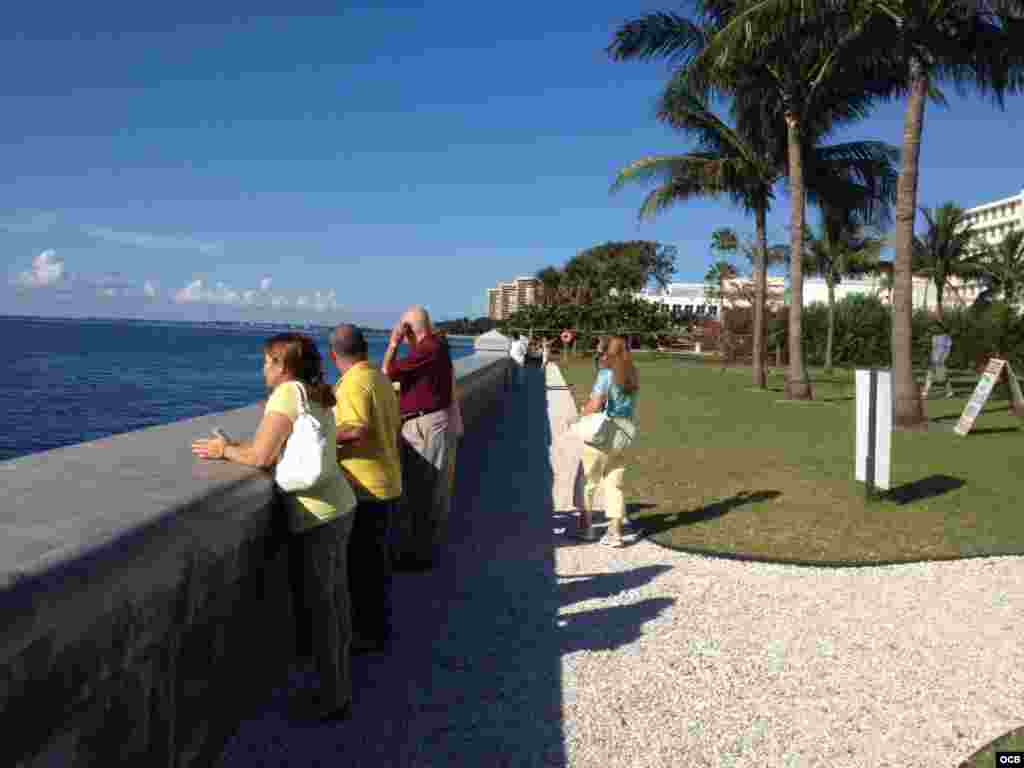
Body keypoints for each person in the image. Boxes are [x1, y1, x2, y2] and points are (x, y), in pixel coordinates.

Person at [191, 333, 356, 722]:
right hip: (339, 505)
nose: (262, 368)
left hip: (318, 515)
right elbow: (282, 443)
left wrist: (224, 450)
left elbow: (262, 455)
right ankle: (339, 684)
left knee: (321, 609)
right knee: (335, 600)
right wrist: (241, 446)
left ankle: (333, 699)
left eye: (267, 361)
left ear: (283, 366)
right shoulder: (314, 392)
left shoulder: (286, 393)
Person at [329, 324, 402, 655]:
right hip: (386, 480)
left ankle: (368, 636)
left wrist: (317, 437)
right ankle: (377, 629)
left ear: (334, 356)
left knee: (362, 569)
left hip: (365, 487)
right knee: (373, 565)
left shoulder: (356, 383)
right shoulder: (378, 377)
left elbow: (355, 428)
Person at [382, 306, 455, 570]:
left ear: (409, 330)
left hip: (425, 425)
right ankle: (421, 551)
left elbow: (386, 373)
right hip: (429, 422)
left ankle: (420, 556)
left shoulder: (427, 349)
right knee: (424, 490)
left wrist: (393, 343)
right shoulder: (433, 347)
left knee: (422, 491)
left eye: (403, 329)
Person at [572, 335, 639, 547]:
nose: (600, 355)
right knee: (615, 483)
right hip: (624, 432)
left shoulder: (606, 375)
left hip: (604, 432)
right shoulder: (632, 375)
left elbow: (596, 404)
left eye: (602, 352)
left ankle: (586, 528)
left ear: (608, 353)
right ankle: (615, 531)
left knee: (588, 480)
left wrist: (580, 415)